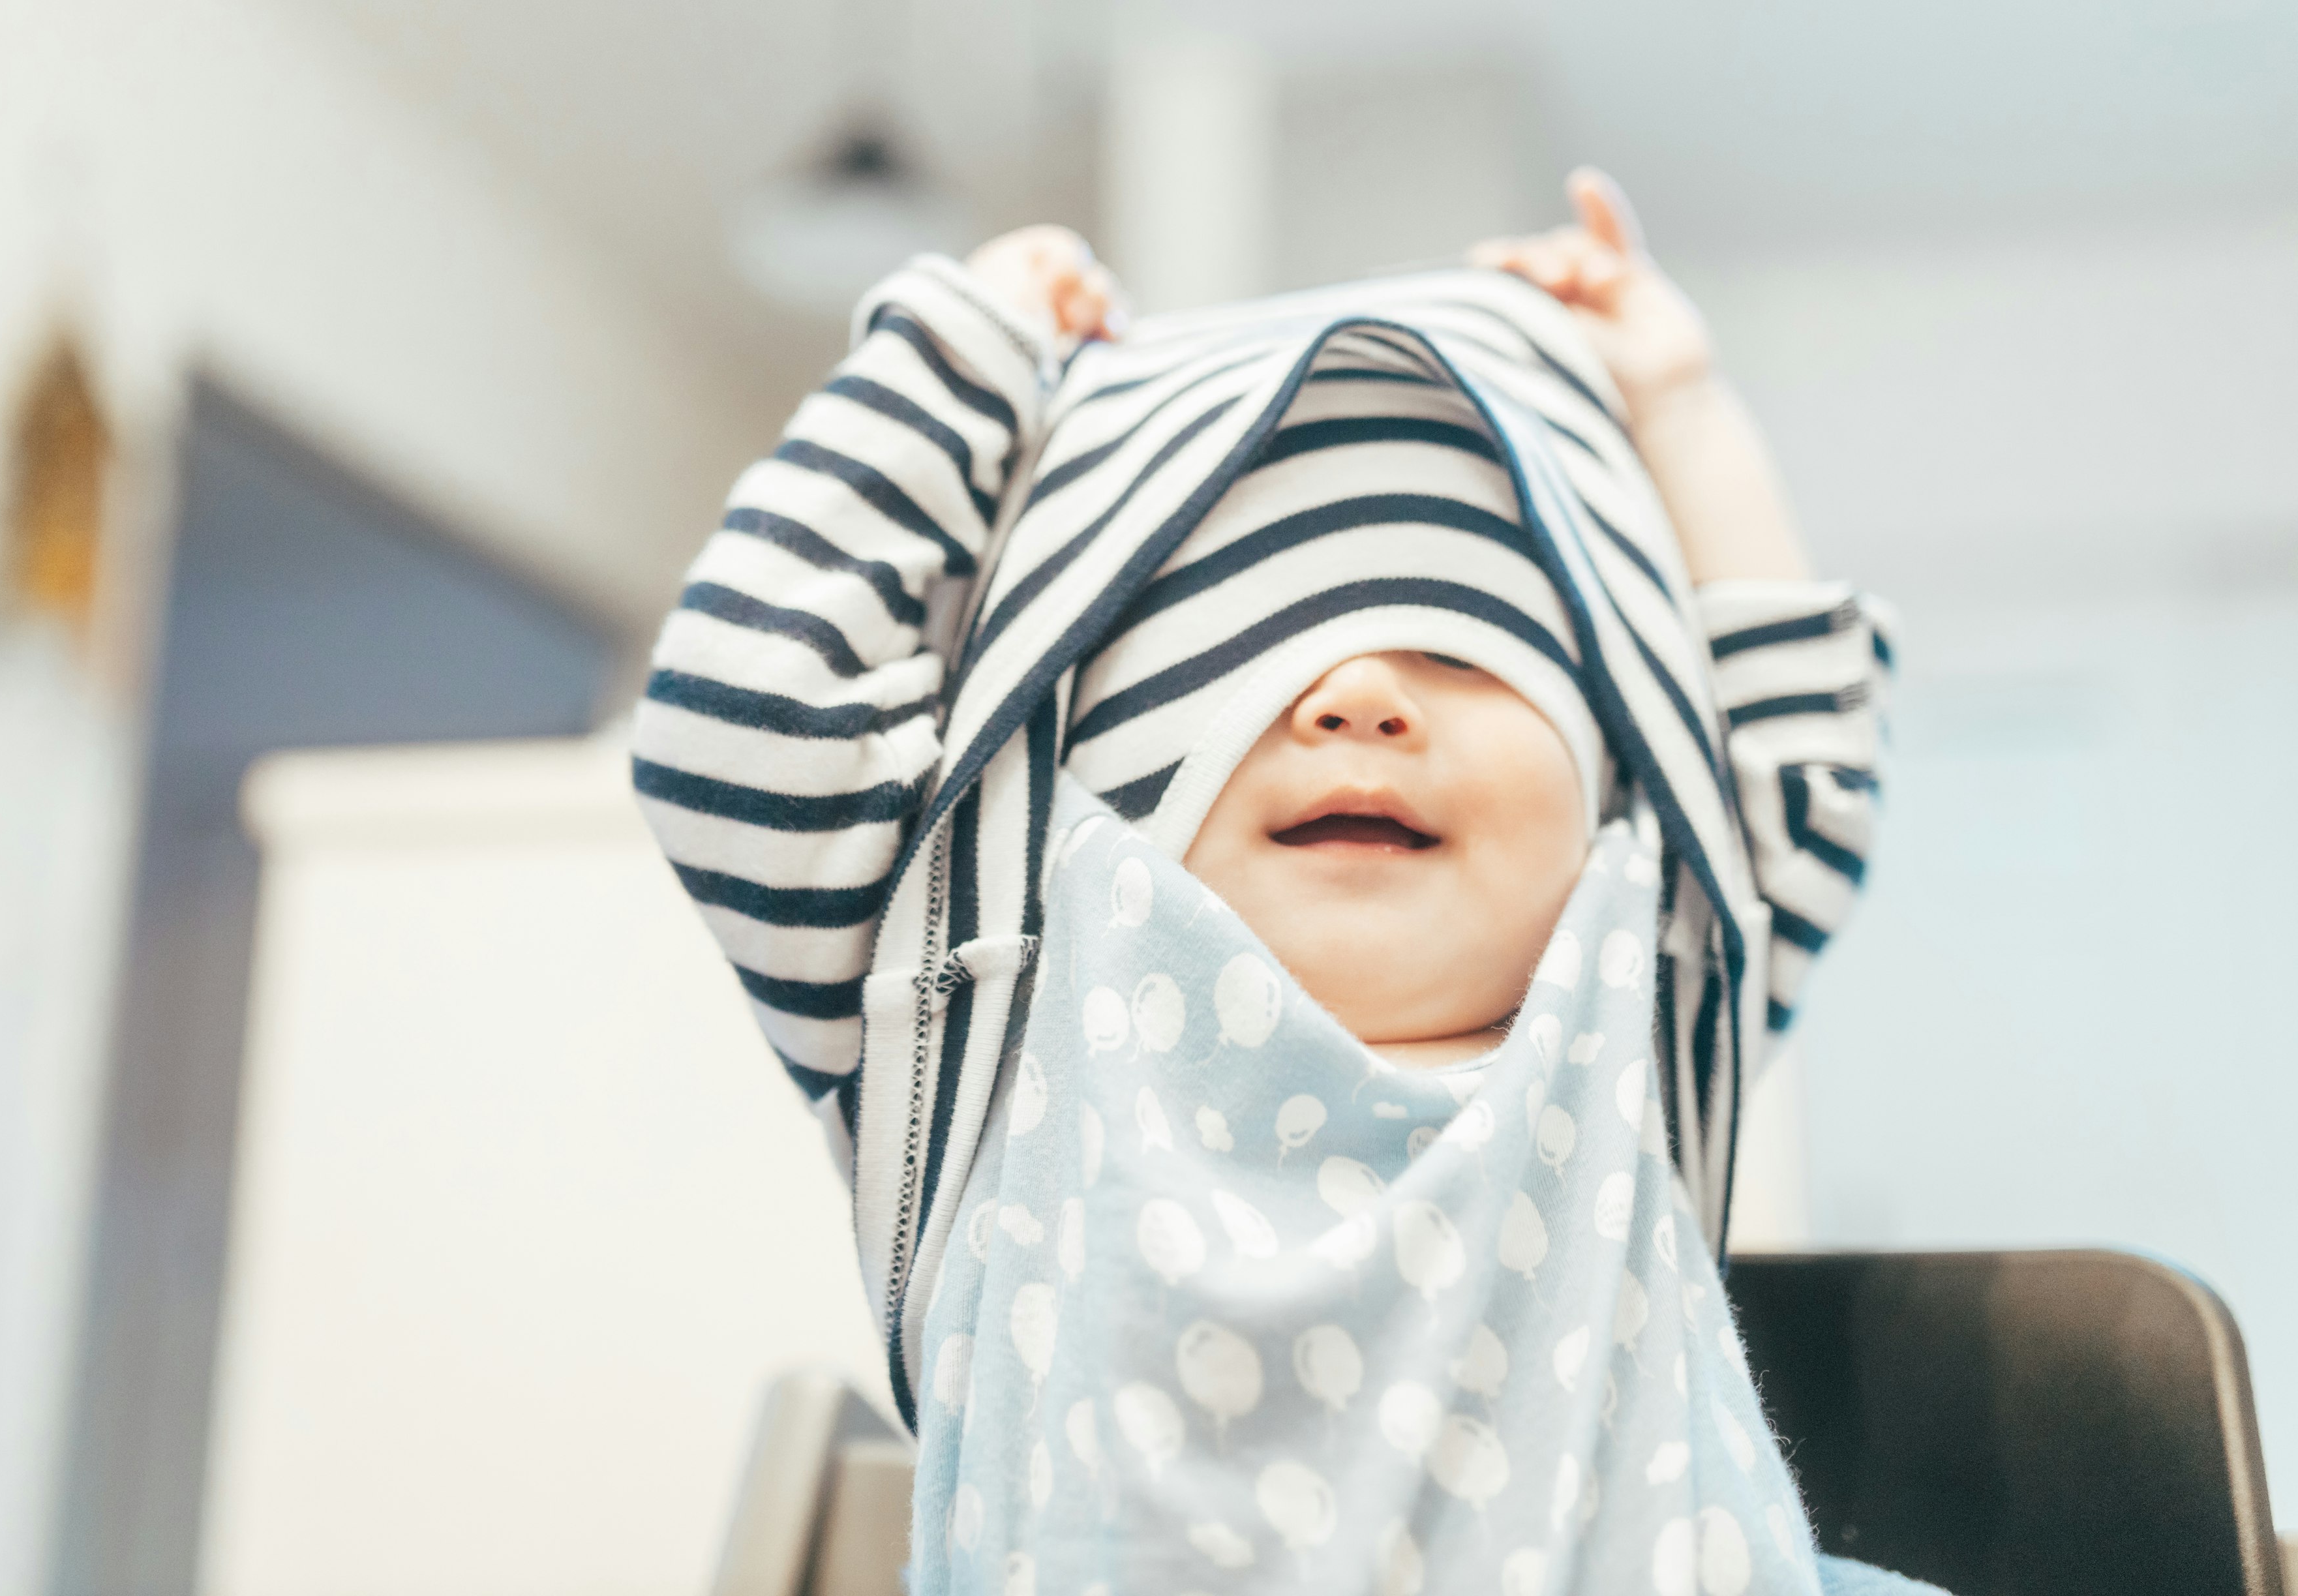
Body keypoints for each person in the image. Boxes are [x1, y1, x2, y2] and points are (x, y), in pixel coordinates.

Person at [631, 172, 1913, 1592]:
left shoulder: (1644, 979)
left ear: (1621, 769)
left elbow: (1803, 759)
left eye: (1467, 651)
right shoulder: (987, 991)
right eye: (1244, 659)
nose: (1359, 695)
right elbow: (738, 726)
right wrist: (954, 358)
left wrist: (1678, 407)